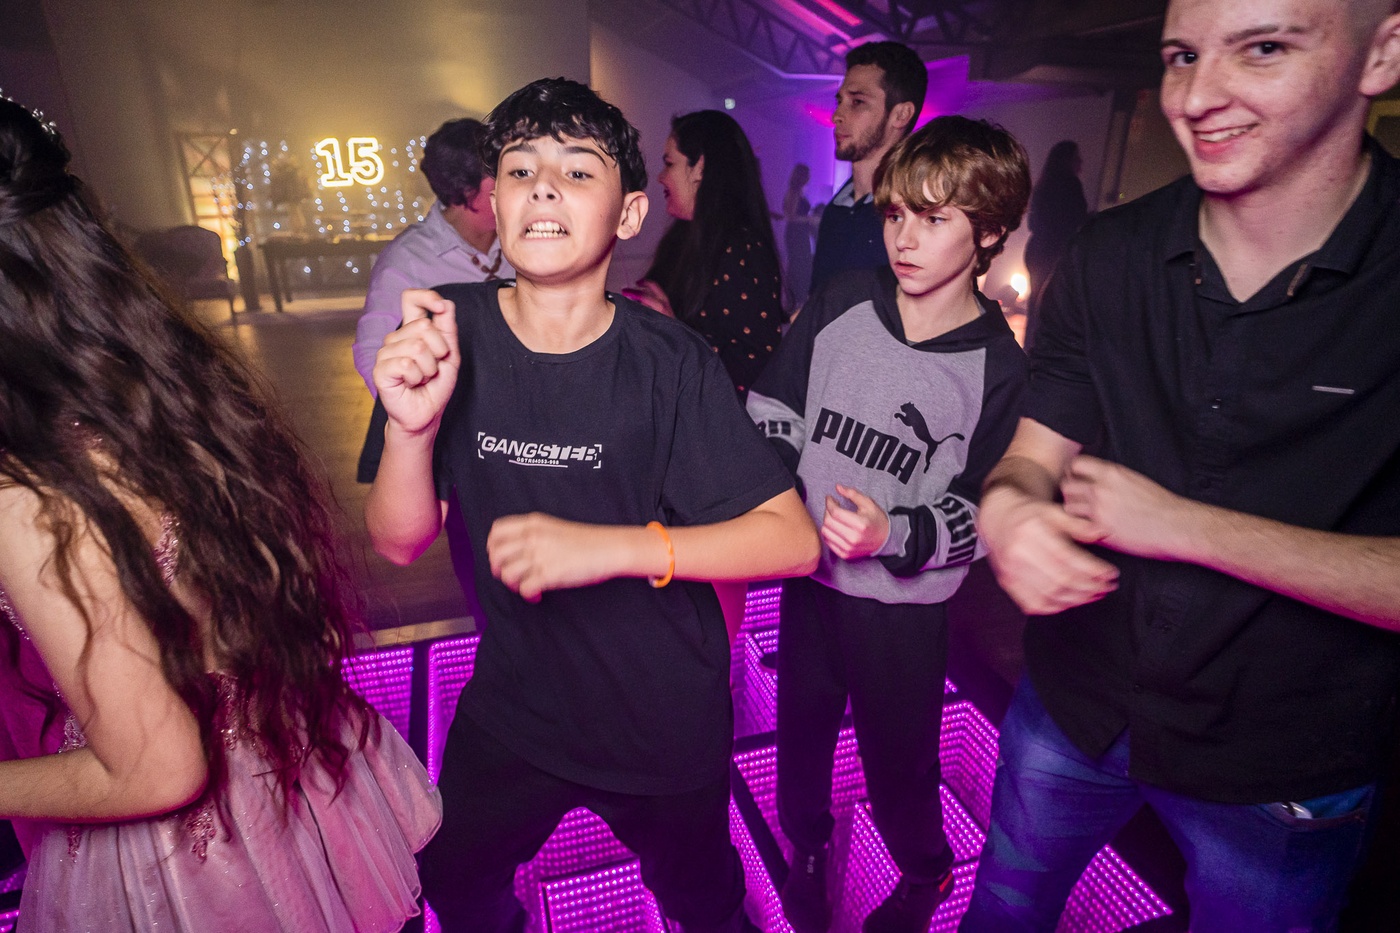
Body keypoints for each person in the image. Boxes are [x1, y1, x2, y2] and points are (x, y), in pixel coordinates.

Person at [961, 1, 1400, 930]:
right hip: (1077, 701)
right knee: (1002, 908)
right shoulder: (1109, 254)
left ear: (1383, 53)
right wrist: (1008, 513)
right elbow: (1033, 454)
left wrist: (1188, 528)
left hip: (1280, 760)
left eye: (1264, 48)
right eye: (1181, 55)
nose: (1197, 97)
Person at [364, 78, 820, 933]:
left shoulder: (671, 361)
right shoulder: (446, 328)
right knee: (453, 882)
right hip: (515, 703)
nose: (543, 187)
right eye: (520, 169)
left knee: (705, 906)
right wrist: (409, 429)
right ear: (494, 200)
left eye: (577, 171)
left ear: (630, 212)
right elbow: (397, 542)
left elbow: (792, 540)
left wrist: (613, 547)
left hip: (662, 717)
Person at [0, 97, 441, 932]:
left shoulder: (32, 491)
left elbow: (158, 768)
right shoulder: (158, 388)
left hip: (195, 856)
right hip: (286, 757)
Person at [748, 116, 1030, 933]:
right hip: (811, 584)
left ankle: (924, 873)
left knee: (899, 762)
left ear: (990, 232)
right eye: (896, 213)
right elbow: (772, 405)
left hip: (903, 614)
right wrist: (781, 497)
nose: (904, 237)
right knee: (800, 739)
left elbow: (985, 511)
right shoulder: (842, 299)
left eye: (934, 218)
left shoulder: (1001, 369)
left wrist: (894, 535)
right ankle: (806, 851)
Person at [352, 117, 512, 393]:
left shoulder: (526, 239)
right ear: (465, 188)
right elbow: (372, 351)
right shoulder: (407, 259)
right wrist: (415, 413)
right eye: (502, 176)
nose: (517, 186)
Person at [634, 110, 784, 397]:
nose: (661, 177)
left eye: (669, 163)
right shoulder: (683, 239)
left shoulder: (742, 250)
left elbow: (755, 369)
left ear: (700, 168)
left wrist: (672, 330)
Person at [809, 41, 926, 295]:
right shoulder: (836, 210)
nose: (836, 115)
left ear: (901, 115)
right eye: (840, 101)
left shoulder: (916, 213)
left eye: (858, 102)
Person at [1021, 140, 1088, 349]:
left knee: (1036, 305)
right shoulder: (1070, 184)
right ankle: (1038, 354)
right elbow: (1076, 220)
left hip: (1037, 249)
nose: (1081, 162)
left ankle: (1028, 351)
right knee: (1050, 307)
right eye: (1077, 158)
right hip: (1054, 252)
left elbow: (1034, 222)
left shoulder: (1044, 184)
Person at [781, 163, 817, 310]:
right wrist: (808, 219)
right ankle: (795, 299)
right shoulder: (793, 192)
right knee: (798, 264)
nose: (809, 177)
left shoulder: (799, 192)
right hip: (796, 233)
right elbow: (790, 216)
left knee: (801, 263)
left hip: (799, 233)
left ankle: (797, 298)